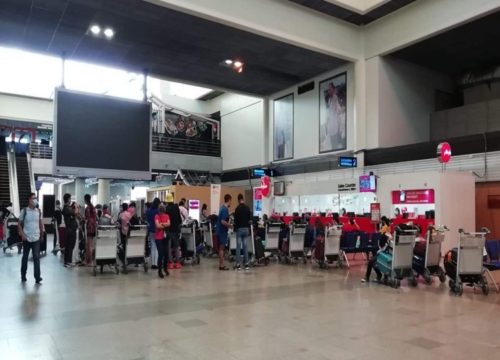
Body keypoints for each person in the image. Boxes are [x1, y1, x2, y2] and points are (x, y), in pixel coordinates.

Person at [18, 193, 44, 284]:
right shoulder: (24, 211)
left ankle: (37, 277)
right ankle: (23, 275)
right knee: (25, 257)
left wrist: (42, 234)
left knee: (36, 257)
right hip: (27, 238)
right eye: (33, 198)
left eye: (36, 198)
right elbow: (19, 224)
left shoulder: (38, 211)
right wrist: (22, 235)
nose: (35, 200)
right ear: (29, 200)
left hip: (36, 238)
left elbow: (40, 223)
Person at [233, 194, 252, 270]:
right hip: (246, 229)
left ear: (238, 200)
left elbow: (235, 221)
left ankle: (238, 265)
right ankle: (246, 264)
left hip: (239, 229)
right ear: (243, 199)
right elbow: (250, 219)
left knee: (238, 247)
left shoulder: (237, 208)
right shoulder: (247, 208)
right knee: (245, 247)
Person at [165, 194, 182, 269]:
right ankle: (178, 263)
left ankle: (170, 263)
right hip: (176, 230)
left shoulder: (166, 209)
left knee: (168, 246)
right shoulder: (176, 207)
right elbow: (179, 219)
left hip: (168, 230)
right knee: (176, 246)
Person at [216, 194, 232, 271]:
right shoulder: (225, 209)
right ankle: (222, 265)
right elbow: (223, 221)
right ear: (229, 200)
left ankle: (221, 264)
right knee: (222, 248)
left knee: (220, 248)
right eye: (230, 201)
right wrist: (230, 225)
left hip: (219, 231)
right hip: (222, 231)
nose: (231, 203)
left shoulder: (222, 208)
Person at [154, 204, 170, 278]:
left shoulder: (167, 216)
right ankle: (160, 270)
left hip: (165, 237)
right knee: (161, 254)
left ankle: (165, 268)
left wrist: (162, 224)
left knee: (166, 254)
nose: (161, 213)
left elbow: (169, 224)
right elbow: (157, 226)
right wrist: (165, 224)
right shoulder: (157, 216)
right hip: (158, 238)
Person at [62, 193, 78, 268]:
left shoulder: (68, 207)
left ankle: (69, 261)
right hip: (70, 230)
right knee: (69, 246)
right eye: (70, 198)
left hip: (72, 229)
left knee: (71, 245)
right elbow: (75, 212)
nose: (71, 200)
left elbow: (72, 212)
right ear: (68, 199)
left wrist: (73, 207)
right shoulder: (66, 208)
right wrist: (76, 207)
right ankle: (67, 262)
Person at [146, 198, 161, 269]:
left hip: (150, 229)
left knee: (152, 246)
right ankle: (156, 263)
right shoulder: (158, 211)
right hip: (157, 230)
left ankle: (152, 264)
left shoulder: (148, 211)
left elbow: (147, 220)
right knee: (157, 247)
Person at [84, 194, 96, 266]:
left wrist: (83, 219)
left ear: (85, 199)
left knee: (89, 245)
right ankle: (87, 260)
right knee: (88, 244)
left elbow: (88, 218)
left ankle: (90, 261)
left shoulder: (88, 208)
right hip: (93, 227)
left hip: (89, 228)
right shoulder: (93, 207)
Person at [118, 203, 132, 269]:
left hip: (122, 232)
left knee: (124, 246)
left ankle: (124, 260)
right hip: (129, 233)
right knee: (129, 246)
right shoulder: (129, 214)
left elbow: (119, 223)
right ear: (127, 207)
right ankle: (129, 259)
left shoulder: (121, 214)